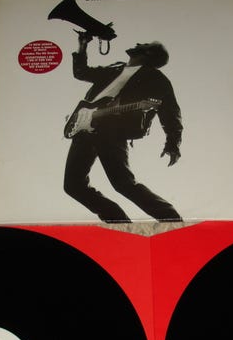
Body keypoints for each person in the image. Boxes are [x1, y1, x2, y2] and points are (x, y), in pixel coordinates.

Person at [63, 32, 184, 223]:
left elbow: (171, 112)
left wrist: (173, 143)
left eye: (145, 43)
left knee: (123, 184)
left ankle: (172, 220)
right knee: (73, 186)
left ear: (149, 54)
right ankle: (119, 222)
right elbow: (81, 73)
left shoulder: (156, 78)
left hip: (113, 130)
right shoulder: (115, 68)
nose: (139, 42)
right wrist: (83, 45)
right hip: (83, 129)